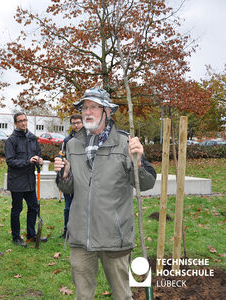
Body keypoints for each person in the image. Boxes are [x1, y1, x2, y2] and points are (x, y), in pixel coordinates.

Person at [54, 88, 156, 300]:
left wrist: (138, 162)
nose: (87, 111)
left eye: (93, 106)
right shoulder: (72, 145)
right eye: (84, 107)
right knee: (82, 296)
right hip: (81, 238)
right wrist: (64, 177)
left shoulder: (125, 143)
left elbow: (146, 183)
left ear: (108, 111)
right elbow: (70, 189)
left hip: (115, 237)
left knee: (122, 295)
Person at [5, 112, 46, 247]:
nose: (23, 123)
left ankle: (31, 234)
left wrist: (39, 160)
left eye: (25, 120)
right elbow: (10, 161)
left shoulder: (32, 138)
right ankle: (16, 237)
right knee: (17, 208)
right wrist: (27, 162)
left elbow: (38, 154)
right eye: (20, 121)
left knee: (33, 207)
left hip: (29, 180)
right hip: (17, 180)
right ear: (16, 123)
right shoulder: (12, 140)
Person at [59, 114, 83, 239]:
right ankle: (67, 231)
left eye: (78, 122)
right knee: (68, 206)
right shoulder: (67, 141)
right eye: (73, 123)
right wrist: (63, 175)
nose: (76, 125)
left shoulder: (88, 139)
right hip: (69, 178)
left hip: (83, 178)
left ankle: (80, 231)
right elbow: (61, 157)